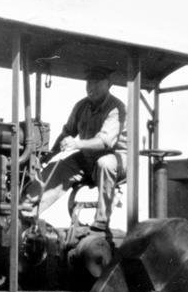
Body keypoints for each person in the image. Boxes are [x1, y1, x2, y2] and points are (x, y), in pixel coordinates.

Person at [23, 66, 127, 231]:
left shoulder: (117, 108)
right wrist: (48, 156)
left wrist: (77, 144)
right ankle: (25, 213)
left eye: (96, 82)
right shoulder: (81, 106)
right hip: (87, 157)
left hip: (117, 158)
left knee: (105, 163)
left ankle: (101, 221)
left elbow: (105, 141)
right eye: (89, 82)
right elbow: (67, 133)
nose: (91, 87)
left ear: (109, 84)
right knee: (57, 169)